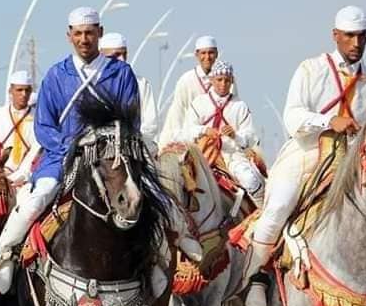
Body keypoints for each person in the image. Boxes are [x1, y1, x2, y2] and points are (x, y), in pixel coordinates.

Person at [0, 6, 201, 294]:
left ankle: (159, 258)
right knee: (36, 199)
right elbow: (44, 126)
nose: (84, 39)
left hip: (113, 155)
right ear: (69, 36)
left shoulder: (121, 73)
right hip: (64, 156)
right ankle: (6, 254)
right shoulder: (55, 76)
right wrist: (71, 146)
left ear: (99, 33)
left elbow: (131, 121)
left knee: (150, 194)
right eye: (78, 33)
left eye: (89, 33)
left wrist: (110, 144)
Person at [240, 6, 366, 306]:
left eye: (361, 36)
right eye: (349, 36)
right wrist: (327, 121)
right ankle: (256, 275)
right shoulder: (311, 69)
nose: (356, 43)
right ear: (335, 35)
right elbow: (292, 116)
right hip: (309, 152)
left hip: (353, 162)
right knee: (280, 205)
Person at [174, 58, 264, 204]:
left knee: (251, 181)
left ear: (231, 81)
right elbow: (186, 131)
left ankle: (260, 215)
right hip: (202, 154)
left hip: (232, 156)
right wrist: (204, 130)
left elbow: (251, 137)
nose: (223, 84)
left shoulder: (239, 106)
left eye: (227, 80)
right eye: (219, 79)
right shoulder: (199, 103)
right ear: (212, 80)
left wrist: (236, 135)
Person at [0, 70, 39, 202]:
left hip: (24, 179)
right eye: (19, 90)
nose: (24, 94)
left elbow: (35, 153)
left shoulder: (38, 119)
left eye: (27, 90)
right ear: (10, 90)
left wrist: (22, 175)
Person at [158, 35, 219, 147]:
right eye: (203, 53)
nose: (207, 57)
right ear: (196, 55)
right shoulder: (186, 80)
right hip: (191, 140)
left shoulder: (226, 79)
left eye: (211, 53)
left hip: (218, 140)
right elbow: (177, 112)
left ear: (216, 54)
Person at [100, 32, 159, 147]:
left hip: (136, 145)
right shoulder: (93, 84)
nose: (122, 59)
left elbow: (151, 123)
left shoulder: (141, 84)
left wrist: (134, 139)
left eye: (124, 54)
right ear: (102, 56)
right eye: (116, 55)